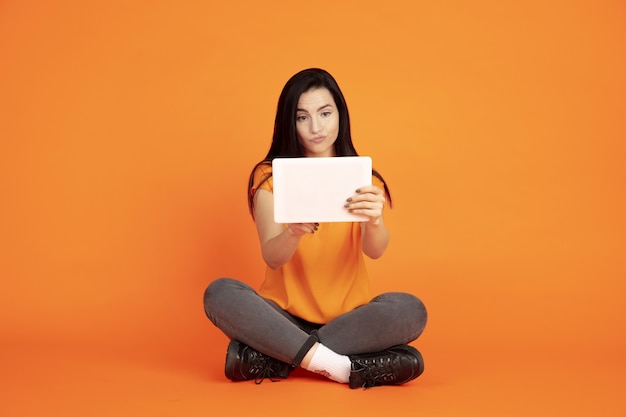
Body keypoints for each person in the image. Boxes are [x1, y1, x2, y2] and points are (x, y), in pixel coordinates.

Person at [203, 68, 427, 389]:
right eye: (302, 117)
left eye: (325, 113)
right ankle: (342, 367)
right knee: (220, 292)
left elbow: (375, 251)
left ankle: (275, 355)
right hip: (281, 316)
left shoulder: (364, 177)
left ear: (340, 114)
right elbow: (273, 257)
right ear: (289, 123)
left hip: (349, 320)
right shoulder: (269, 177)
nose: (316, 127)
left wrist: (374, 220)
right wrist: (292, 231)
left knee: (410, 310)